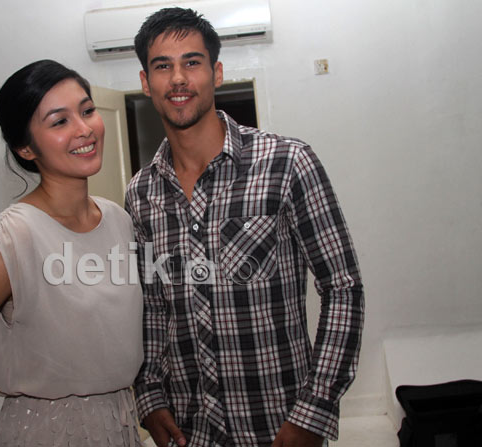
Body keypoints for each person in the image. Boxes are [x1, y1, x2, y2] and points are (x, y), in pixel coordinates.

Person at [125, 7, 364, 447]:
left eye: (192, 62)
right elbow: (154, 307)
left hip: (278, 424)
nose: (178, 78)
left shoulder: (287, 163)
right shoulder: (141, 193)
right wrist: (150, 395)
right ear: (145, 81)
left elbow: (342, 287)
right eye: (162, 66)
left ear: (216, 73)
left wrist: (313, 412)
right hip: (189, 429)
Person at [0, 60, 144, 447]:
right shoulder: (17, 235)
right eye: (60, 121)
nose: (84, 128)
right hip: (48, 433)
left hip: (120, 426)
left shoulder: (118, 221)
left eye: (87, 110)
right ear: (25, 147)